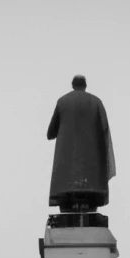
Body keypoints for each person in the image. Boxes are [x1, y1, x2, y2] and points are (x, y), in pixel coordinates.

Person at [46, 74, 116, 213]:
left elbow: (50, 133)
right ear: (85, 86)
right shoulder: (96, 102)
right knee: (90, 210)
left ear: (73, 85)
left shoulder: (62, 102)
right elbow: (105, 131)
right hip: (92, 175)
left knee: (66, 210)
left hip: (65, 176)